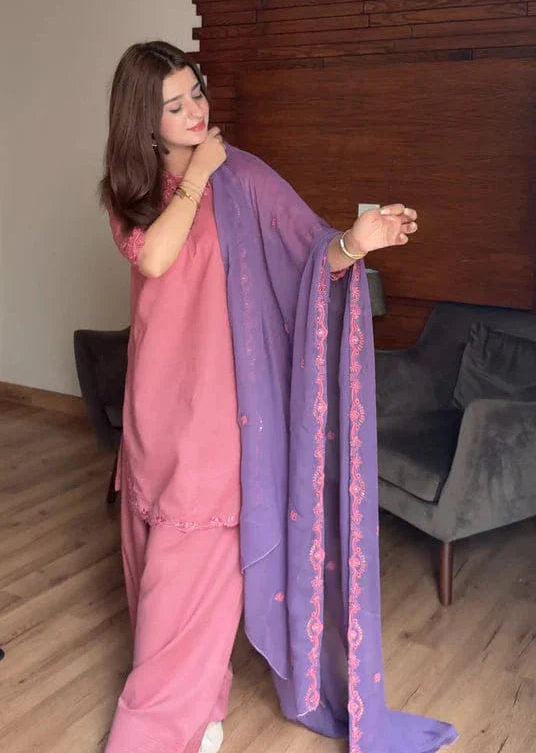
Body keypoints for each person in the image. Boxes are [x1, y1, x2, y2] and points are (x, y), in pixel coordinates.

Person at [100, 41, 457, 753]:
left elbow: (308, 255)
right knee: (155, 579)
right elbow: (156, 256)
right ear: (143, 119)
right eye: (174, 104)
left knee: (190, 577)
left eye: (197, 93)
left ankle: (150, 734)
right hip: (154, 408)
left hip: (219, 415)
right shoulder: (129, 192)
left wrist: (355, 243)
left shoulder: (246, 177)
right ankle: (202, 702)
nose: (195, 111)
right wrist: (197, 177)